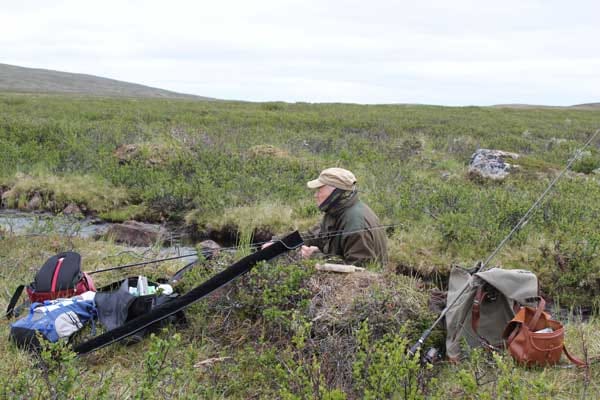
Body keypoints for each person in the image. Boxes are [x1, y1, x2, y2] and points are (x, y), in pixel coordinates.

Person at [300, 167, 388, 266]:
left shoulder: (355, 222)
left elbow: (360, 268)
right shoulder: (336, 211)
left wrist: (316, 257)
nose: (315, 195)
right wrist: (283, 242)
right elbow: (313, 235)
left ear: (334, 192)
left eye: (319, 190)